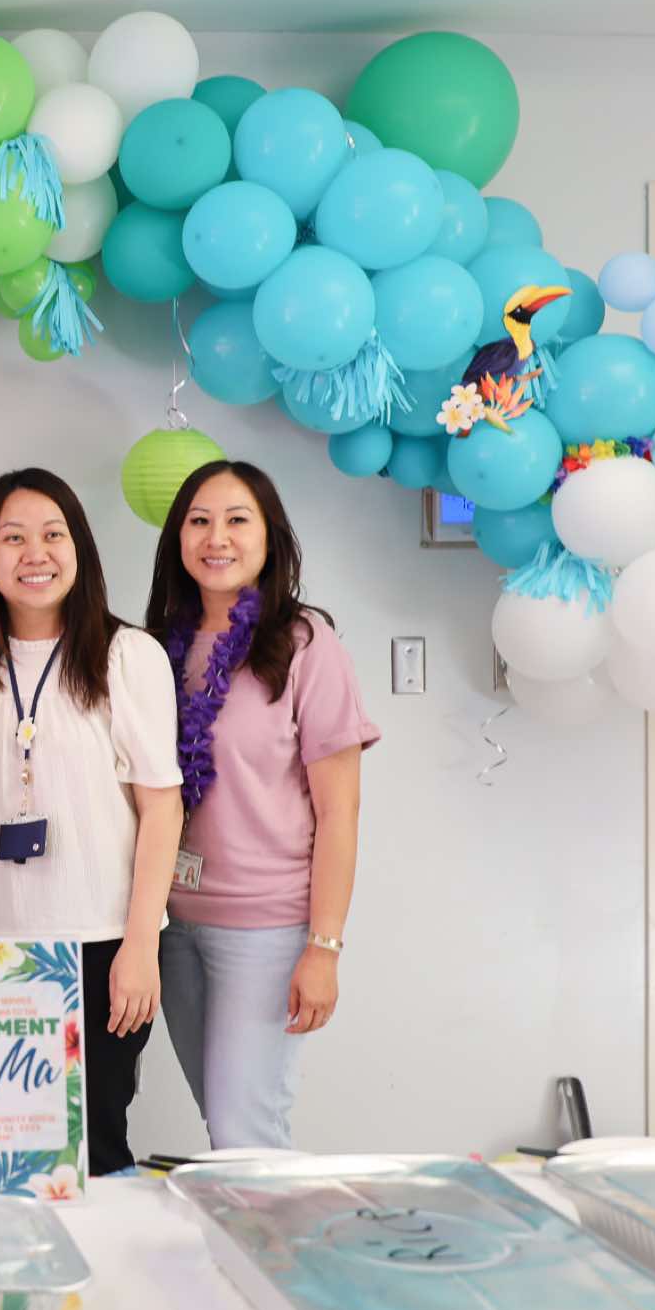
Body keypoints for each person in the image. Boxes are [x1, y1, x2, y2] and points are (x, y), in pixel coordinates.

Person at [143, 460, 379, 1151]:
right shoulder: (158, 648)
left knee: (245, 1133)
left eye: (237, 520)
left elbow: (340, 813)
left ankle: (282, 1227)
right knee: (231, 1129)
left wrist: (324, 947)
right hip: (173, 925)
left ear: (269, 537)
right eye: (199, 521)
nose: (216, 537)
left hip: (265, 932)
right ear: (178, 539)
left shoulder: (305, 643)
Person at [0, 468, 183, 1174]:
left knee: (95, 1152)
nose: (36, 554)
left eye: (53, 535)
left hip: (101, 944)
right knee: (2, 1159)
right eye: (13, 538)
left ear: (78, 547)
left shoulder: (127, 656)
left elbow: (162, 806)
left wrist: (140, 945)